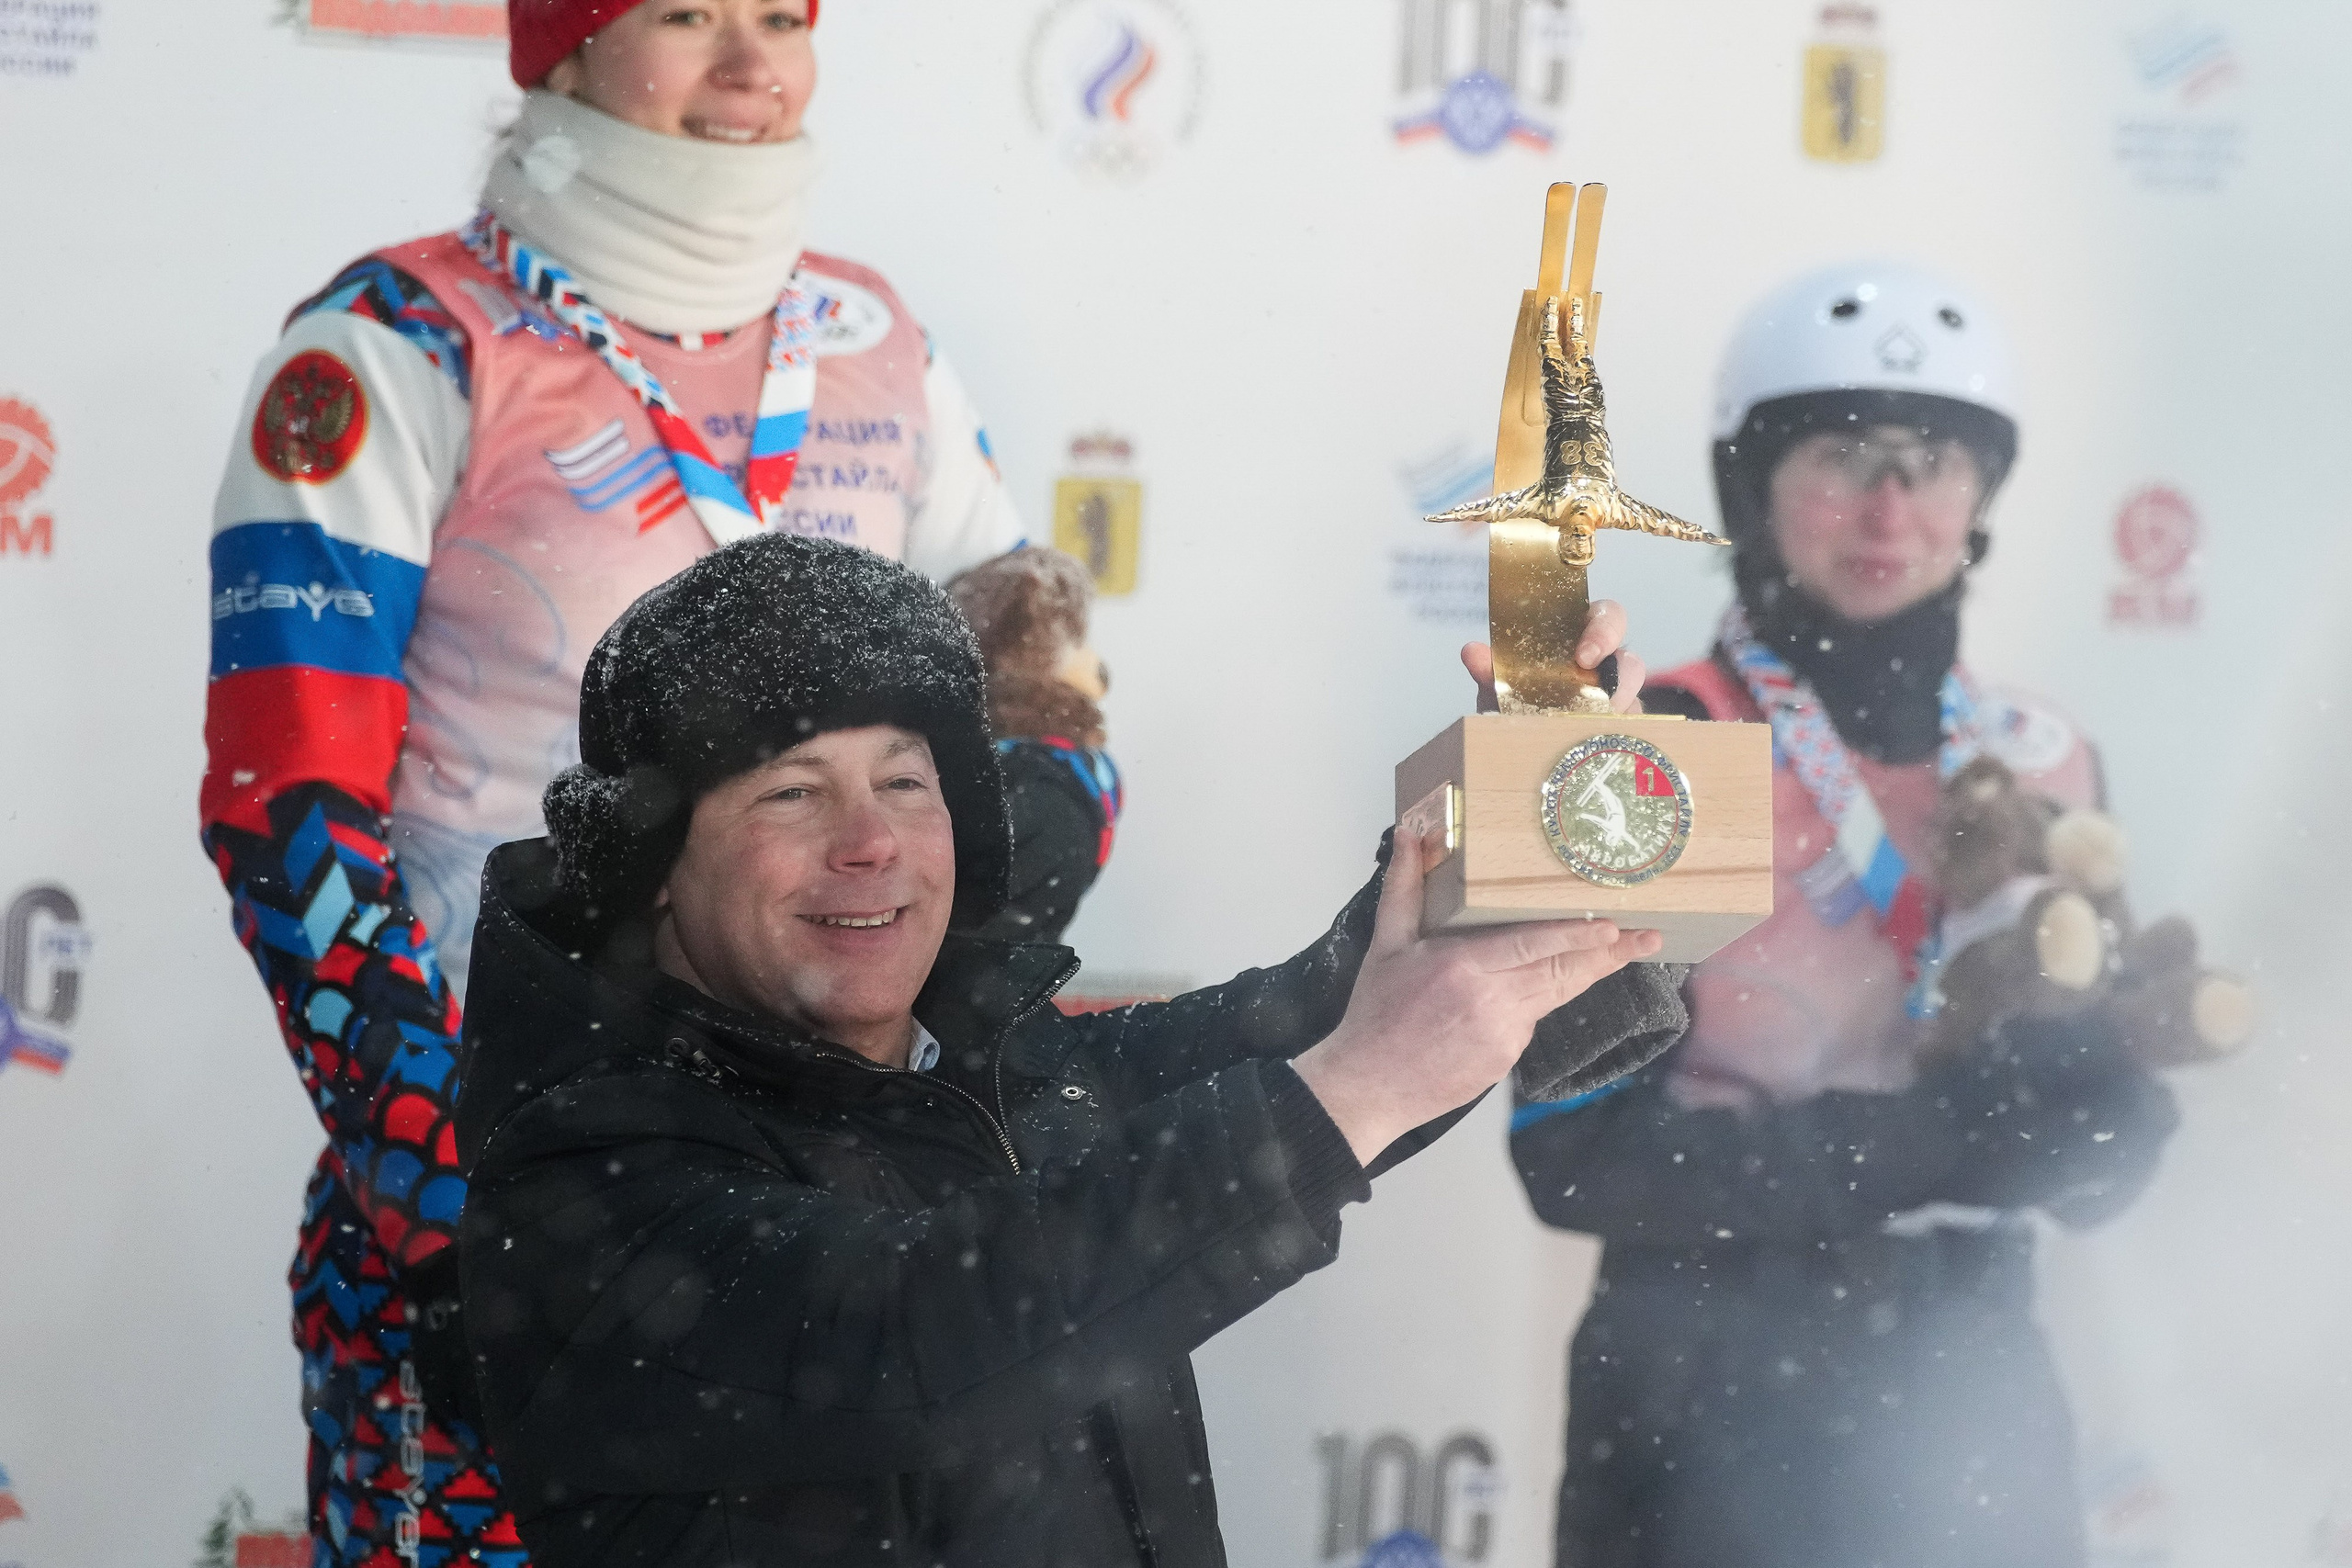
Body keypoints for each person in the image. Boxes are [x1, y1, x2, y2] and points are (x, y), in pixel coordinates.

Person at [198, 2, 1035, 1559]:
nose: (750, 63)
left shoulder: (876, 344)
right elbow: (285, 813)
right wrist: (457, 1214)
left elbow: (1041, 718)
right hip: (511, 1194)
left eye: (781, 14)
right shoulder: (396, 342)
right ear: (564, 53)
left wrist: (947, 1083)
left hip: (829, 1218)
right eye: (686, 15)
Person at [455, 532, 1688, 1567]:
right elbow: (916, 1325)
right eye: (791, 791)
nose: (869, 842)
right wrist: (1350, 1091)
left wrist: (1510, 815)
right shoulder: (588, 1179)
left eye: (906, 782)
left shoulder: (1010, 1080)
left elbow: (1322, 1017)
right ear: (654, 865)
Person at [1509, 263, 2183, 1568]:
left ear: (1981, 494)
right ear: (1750, 487)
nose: (1888, 505)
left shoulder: (2043, 760)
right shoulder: (1653, 742)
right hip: (1705, 1387)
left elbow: (2090, 1139)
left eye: (1930, 459)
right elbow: (1582, 1156)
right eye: (1839, 454)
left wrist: (2111, 1128)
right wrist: (1937, 1140)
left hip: (1975, 1381)